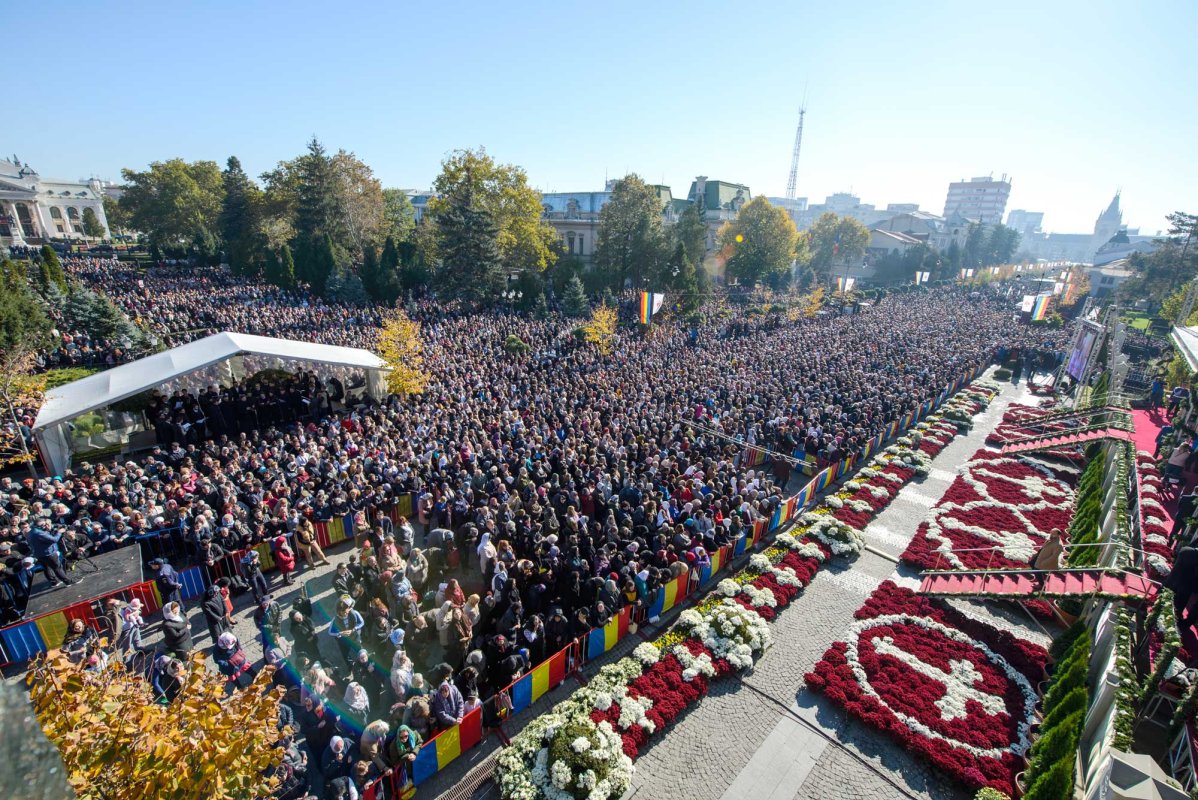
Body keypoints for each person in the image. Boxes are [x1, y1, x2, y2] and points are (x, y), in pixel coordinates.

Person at [27, 523, 74, 587]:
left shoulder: (30, 532)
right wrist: (59, 532)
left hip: (39, 554)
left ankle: (54, 582)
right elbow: (54, 540)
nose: (45, 526)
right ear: (39, 525)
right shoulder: (39, 533)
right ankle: (68, 582)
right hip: (48, 553)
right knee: (57, 568)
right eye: (43, 525)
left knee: (46, 568)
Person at [201, 579, 232, 643]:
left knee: (227, 628)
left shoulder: (217, 593)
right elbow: (208, 613)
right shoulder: (205, 602)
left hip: (223, 615)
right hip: (214, 620)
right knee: (217, 634)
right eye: (215, 593)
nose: (216, 594)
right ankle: (220, 644)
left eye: (217, 593)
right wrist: (218, 618)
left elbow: (223, 601)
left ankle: (230, 639)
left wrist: (226, 610)